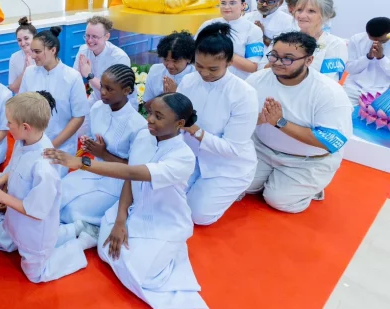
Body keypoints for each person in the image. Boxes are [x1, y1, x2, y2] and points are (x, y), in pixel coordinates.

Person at [44, 93, 208, 309]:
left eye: (158, 116)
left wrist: (81, 163)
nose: (150, 119)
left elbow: (133, 172)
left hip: (164, 219)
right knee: (107, 250)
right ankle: (92, 232)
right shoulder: (144, 137)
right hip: (134, 210)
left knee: (140, 274)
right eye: (150, 113)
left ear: (179, 123)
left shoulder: (183, 156)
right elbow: (130, 180)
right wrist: (121, 219)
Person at [0, 92, 89, 283]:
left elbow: (35, 210)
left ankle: (81, 243)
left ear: (25, 127)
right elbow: (15, 167)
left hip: (36, 229)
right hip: (16, 218)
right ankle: (72, 230)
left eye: (9, 122)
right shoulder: (24, 141)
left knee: (35, 274)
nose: (7, 125)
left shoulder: (44, 167)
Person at [246, 31, 353, 213]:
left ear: (309, 60)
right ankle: (275, 179)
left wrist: (280, 122)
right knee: (242, 185)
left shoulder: (328, 92)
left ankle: (312, 188)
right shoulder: (257, 79)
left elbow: (331, 141)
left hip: (307, 161)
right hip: (262, 149)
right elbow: (239, 116)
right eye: (274, 55)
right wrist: (260, 119)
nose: (278, 62)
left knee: (278, 200)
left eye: (288, 58)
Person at [176, 23, 258, 225]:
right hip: (192, 156)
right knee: (165, 199)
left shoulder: (243, 94)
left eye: (213, 69)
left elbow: (232, 149)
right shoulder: (188, 81)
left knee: (197, 216)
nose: (204, 73)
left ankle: (236, 188)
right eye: (199, 66)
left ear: (229, 62)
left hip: (227, 165)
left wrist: (195, 131)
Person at [59, 64, 147, 229]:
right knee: (57, 193)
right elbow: (94, 140)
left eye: (109, 89)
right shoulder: (97, 108)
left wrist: (103, 154)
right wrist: (89, 145)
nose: (103, 92)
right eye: (102, 86)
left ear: (127, 90)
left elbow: (135, 171)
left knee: (73, 210)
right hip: (93, 169)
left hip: (119, 182)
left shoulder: (138, 126)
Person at [20, 27, 89, 177]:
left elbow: (78, 117)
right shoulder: (30, 72)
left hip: (60, 146)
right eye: (32, 51)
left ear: (53, 50)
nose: (33, 56)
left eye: (37, 52)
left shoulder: (72, 77)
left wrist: (51, 145)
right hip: (31, 141)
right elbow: (22, 106)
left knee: (47, 181)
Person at [196, 0, 264, 79]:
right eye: (223, 3)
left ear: (243, 5)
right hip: (205, 77)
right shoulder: (208, 25)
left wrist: (222, 51)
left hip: (236, 80)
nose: (226, 7)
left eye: (232, 3)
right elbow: (194, 51)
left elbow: (253, 67)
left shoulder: (253, 30)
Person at [73, 15, 130, 104]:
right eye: (87, 36)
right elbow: (74, 79)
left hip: (118, 103)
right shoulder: (83, 50)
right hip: (96, 98)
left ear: (107, 36)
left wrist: (89, 75)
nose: (89, 40)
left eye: (95, 37)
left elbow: (113, 91)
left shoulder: (119, 57)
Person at [293, 0, 347, 81]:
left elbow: (329, 81)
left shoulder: (335, 44)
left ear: (326, 15)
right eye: (299, 10)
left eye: (311, 11)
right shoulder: (283, 40)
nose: (302, 15)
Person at [344, 17, 390, 105]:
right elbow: (349, 69)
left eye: (382, 40)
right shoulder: (356, 39)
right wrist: (368, 57)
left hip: (385, 91)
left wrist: (381, 58)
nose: (377, 42)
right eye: (373, 39)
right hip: (354, 89)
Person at [143, 30, 195, 105]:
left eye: (175, 61)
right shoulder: (155, 70)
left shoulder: (196, 77)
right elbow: (146, 103)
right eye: (165, 60)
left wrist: (175, 94)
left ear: (189, 58)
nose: (169, 66)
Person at [8, 17, 36, 93]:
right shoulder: (14, 57)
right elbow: (13, 88)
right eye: (19, 40)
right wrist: (25, 71)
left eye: (26, 38)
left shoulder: (42, 55)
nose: (23, 43)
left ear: (34, 37)